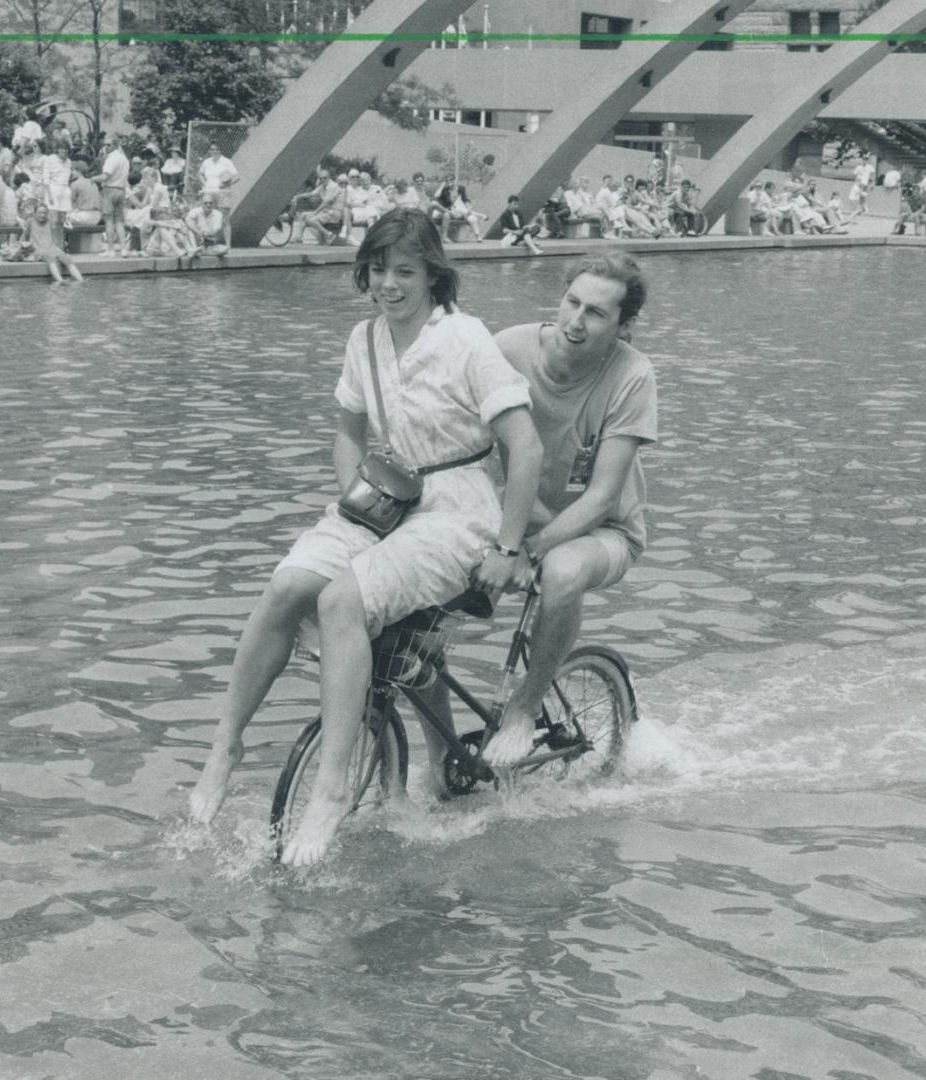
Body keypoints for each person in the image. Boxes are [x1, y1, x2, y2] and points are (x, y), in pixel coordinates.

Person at [186, 208, 543, 866]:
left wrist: (508, 547)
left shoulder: (466, 338)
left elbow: (525, 447)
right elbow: (349, 428)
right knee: (289, 584)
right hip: (387, 499)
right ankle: (225, 746)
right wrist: (357, 499)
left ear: (434, 275)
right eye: (378, 269)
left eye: (405, 271)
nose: (389, 284)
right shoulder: (365, 339)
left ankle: (330, 788)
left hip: (458, 511)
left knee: (343, 601)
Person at [469, 251, 658, 769]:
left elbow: (601, 497)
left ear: (624, 325)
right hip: (515, 518)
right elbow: (464, 438)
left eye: (596, 312)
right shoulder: (508, 347)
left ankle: (525, 709)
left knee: (560, 571)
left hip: (605, 528)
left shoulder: (632, 376)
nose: (577, 320)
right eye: (572, 302)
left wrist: (529, 549)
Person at [94, 138, 131, 256]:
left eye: (108, 144)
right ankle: (124, 249)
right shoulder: (124, 159)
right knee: (119, 221)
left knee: (109, 221)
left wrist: (93, 178)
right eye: (105, 144)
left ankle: (111, 249)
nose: (106, 147)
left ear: (115, 145)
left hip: (110, 190)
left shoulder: (111, 158)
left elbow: (105, 176)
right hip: (121, 190)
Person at [31, 203, 84, 284]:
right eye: (40, 213)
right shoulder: (30, 222)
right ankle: (60, 281)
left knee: (66, 259)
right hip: (38, 249)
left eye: (44, 213)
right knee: (50, 258)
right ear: (35, 213)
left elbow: (56, 237)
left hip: (51, 247)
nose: (42, 215)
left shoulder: (50, 222)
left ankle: (81, 280)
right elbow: (24, 236)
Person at [198, 142, 239, 247]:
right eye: (212, 149)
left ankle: (228, 245)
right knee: (209, 217)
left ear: (220, 151)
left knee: (224, 219)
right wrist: (205, 184)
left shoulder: (226, 162)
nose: (214, 151)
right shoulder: (207, 162)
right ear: (210, 151)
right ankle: (209, 243)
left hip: (222, 193)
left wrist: (227, 184)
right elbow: (200, 174)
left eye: (217, 149)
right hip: (209, 193)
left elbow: (236, 177)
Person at [66, 159, 102, 227]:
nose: (71, 173)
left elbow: (70, 203)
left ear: (78, 171)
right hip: (97, 217)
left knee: (61, 218)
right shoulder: (93, 183)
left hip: (83, 217)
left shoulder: (75, 184)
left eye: (72, 170)